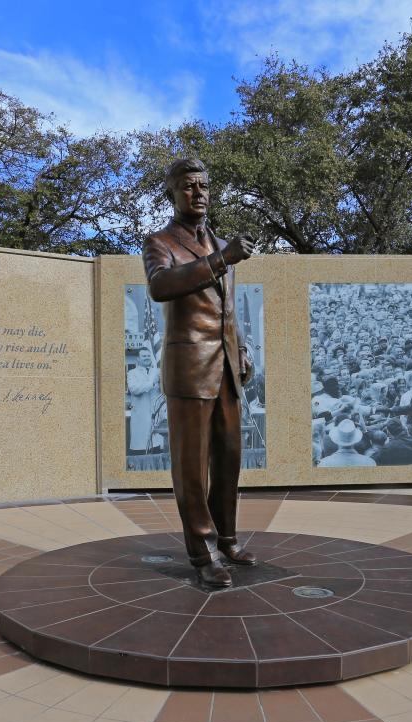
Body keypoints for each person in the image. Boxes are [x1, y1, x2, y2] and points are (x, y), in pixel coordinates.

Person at [142, 157, 257, 588]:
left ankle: (226, 538)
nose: (199, 193)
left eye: (204, 185)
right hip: (190, 367)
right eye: (189, 186)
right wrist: (221, 259)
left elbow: (228, 309)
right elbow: (160, 287)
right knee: (192, 467)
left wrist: (241, 348)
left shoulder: (220, 242)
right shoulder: (159, 242)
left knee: (229, 458)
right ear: (173, 192)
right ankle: (203, 552)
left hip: (226, 365)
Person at [127, 346, 163, 453]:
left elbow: (165, 391)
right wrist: (152, 383)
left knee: (157, 448)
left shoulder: (157, 372)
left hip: (156, 417)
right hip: (140, 417)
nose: (147, 358)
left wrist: (162, 382)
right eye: (143, 356)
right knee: (141, 450)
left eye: (148, 356)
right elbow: (134, 389)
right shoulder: (132, 373)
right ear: (138, 358)